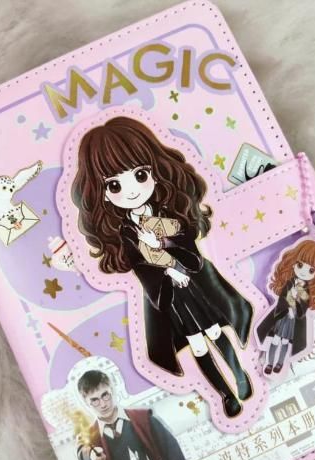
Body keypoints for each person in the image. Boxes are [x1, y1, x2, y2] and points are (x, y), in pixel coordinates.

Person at [71, 116, 254, 418]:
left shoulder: (167, 212)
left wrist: (161, 241)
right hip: (170, 296)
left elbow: (185, 237)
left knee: (214, 330)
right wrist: (167, 267)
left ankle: (241, 377)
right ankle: (226, 395)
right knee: (196, 344)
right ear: (103, 193)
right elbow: (141, 268)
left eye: (140, 175)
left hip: (194, 284)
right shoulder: (126, 233)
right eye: (115, 184)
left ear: (154, 173)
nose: (131, 190)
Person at [76, 370, 187, 460]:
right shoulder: (89, 438)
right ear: (86, 403)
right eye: (94, 400)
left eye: (105, 395)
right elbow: (83, 452)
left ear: (112, 390)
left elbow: (176, 457)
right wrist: (91, 457)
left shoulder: (144, 419)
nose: (103, 404)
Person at [256, 240, 315, 374]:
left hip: (294, 321)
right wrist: (289, 299)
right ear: (293, 263)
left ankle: (280, 364)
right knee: (275, 340)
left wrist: (297, 300)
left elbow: (303, 309)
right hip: (281, 316)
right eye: (300, 265)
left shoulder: (306, 291)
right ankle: (269, 363)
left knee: (285, 342)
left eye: (311, 270)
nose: (303, 272)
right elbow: (281, 300)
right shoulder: (289, 283)